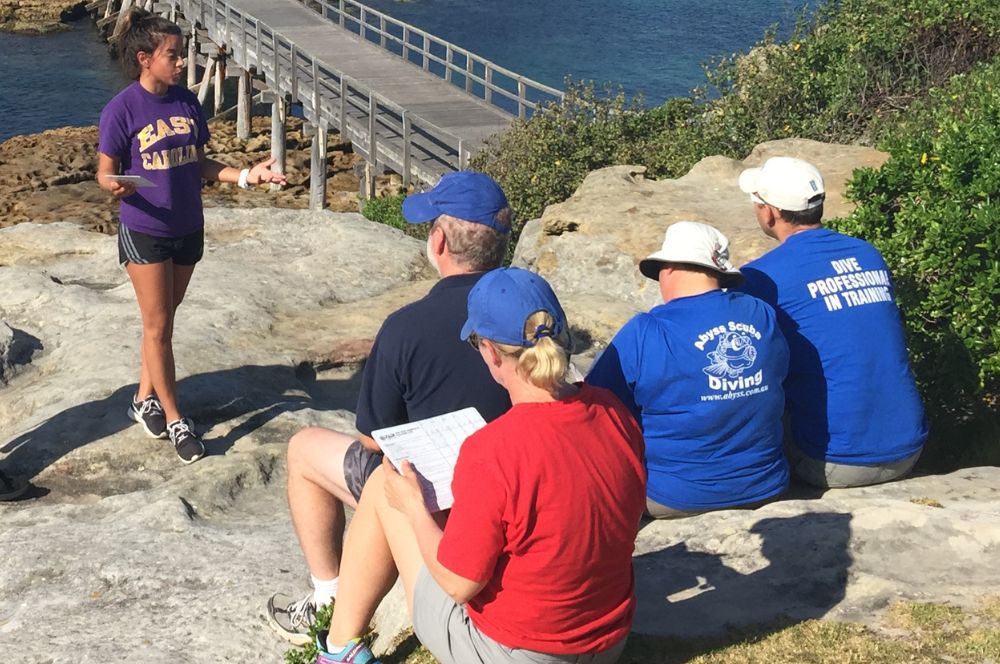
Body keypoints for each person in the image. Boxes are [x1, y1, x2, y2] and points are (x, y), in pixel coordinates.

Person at [313, 267, 646, 664]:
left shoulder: (493, 449)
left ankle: (338, 651)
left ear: (488, 351)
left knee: (385, 490)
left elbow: (458, 585)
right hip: (607, 641)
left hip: (515, 651)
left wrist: (415, 509)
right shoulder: (613, 413)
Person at [266, 171, 512, 645]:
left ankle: (328, 599)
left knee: (304, 450)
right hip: (506, 491)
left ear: (438, 241)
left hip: (436, 503)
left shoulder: (406, 327)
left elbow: (370, 437)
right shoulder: (524, 311)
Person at [96, 8, 287, 464]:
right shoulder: (121, 109)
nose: (182, 63)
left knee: (162, 324)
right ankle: (175, 417)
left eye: (181, 55)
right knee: (159, 327)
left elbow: (198, 163)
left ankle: (143, 398)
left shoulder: (186, 102)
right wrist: (114, 184)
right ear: (145, 58)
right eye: (174, 55)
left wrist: (245, 177)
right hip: (145, 229)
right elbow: (104, 173)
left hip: (188, 227)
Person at [737, 156, 927, 488]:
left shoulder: (760, 277)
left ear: (769, 212)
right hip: (909, 447)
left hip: (834, 460)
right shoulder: (867, 253)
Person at [588, 221, 791, 518]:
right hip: (766, 485)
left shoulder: (646, 331)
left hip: (675, 497)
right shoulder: (761, 313)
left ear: (669, 269)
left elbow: (594, 405)